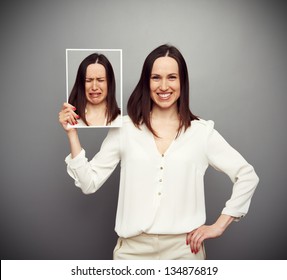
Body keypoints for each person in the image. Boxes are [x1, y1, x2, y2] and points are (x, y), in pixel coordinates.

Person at [59, 44, 259, 260]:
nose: (164, 86)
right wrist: (72, 134)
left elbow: (246, 175)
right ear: (147, 81)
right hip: (132, 253)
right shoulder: (124, 129)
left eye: (172, 77)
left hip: (184, 252)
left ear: (182, 82)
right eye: (156, 77)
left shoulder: (202, 132)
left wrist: (220, 225)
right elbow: (89, 183)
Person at [67, 52, 121, 127]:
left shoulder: (120, 119)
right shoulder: (70, 118)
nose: (94, 87)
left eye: (100, 80)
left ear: (110, 83)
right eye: (88, 80)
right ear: (80, 84)